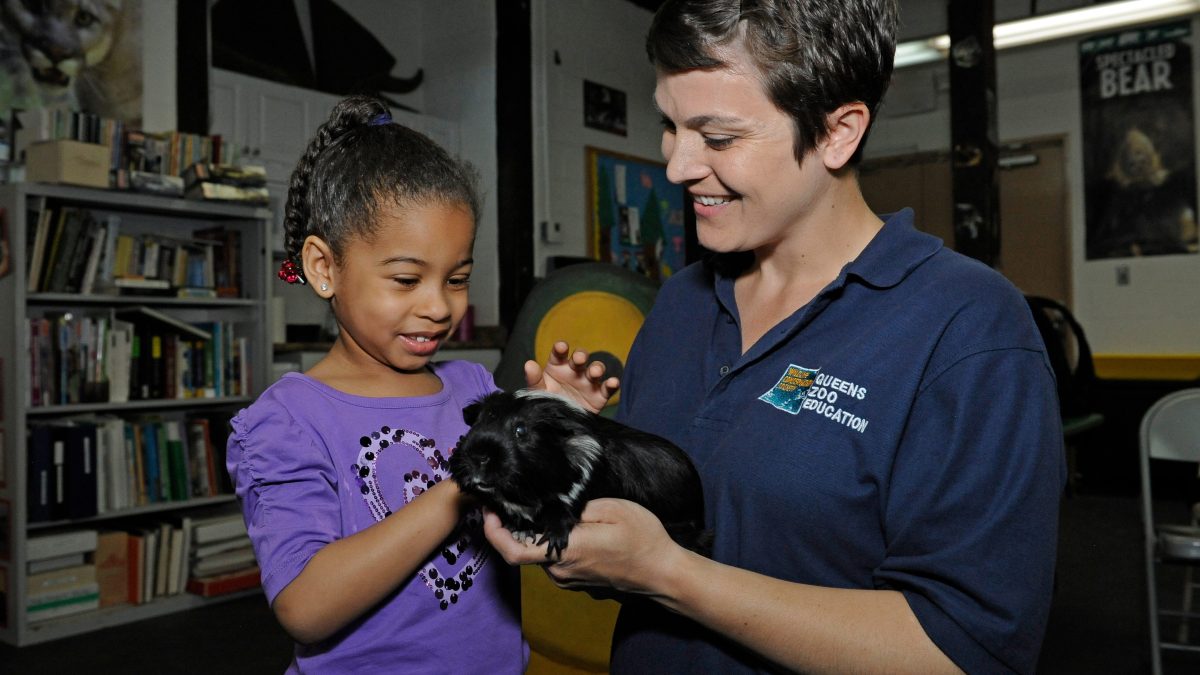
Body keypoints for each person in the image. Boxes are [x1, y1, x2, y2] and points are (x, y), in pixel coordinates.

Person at [485, 1, 1065, 673]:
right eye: (669, 126)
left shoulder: (970, 329)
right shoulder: (679, 305)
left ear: (838, 133)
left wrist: (672, 574)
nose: (676, 165)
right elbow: (646, 541)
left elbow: (965, 651)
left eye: (718, 136)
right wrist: (577, 460)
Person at [226, 95, 617, 673]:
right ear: (323, 267)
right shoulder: (287, 420)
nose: (440, 307)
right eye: (406, 279)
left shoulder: (472, 387)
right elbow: (305, 606)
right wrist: (464, 483)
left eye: (457, 279)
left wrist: (555, 434)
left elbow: (544, 524)